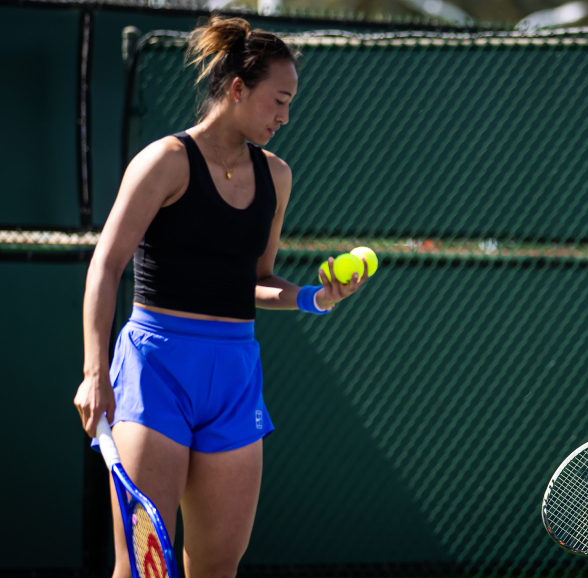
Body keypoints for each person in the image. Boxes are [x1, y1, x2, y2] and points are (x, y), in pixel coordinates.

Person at [72, 16, 367, 577]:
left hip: (233, 378)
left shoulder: (277, 177)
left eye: (290, 103)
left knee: (217, 567)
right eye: (278, 100)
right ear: (237, 89)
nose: (285, 116)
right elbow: (105, 266)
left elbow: (256, 279)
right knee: (140, 567)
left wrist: (315, 297)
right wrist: (94, 372)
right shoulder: (164, 161)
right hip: (154, 370)